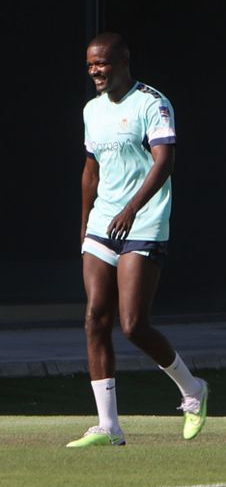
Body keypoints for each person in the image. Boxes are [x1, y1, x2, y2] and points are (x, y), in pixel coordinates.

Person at [71, 33, 209, 447]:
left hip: (143, 223)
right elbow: (91, 170)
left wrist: (131, 209)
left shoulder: (153, 103)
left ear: (123, 61)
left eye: (103, 63)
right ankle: (109, 425)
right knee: (96, 317)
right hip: (102, 225)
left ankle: (193, 389)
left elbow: (163, 163)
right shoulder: (92, 110)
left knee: (132, 325)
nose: (95, 71)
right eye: (91, 65)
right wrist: (85, 222)